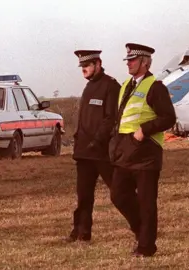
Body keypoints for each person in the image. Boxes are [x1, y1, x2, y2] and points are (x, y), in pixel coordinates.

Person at [109, 43, 176, 257]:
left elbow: (168, 118)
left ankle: (147, 247)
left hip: (146, 154)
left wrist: (144, 131)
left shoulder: (156, 87)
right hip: (125, 153)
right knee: (118, 196)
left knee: (147, 203)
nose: (128, 63)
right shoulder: (125, 86)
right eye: (127, 60)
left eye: (133, 60)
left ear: (145, 63)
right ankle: (140, 231)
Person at [67, 49, 121, 242]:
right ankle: (81, 232)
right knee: (83, 194)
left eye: (87, 65)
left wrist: (97, 141)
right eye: (82, 66)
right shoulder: (88, 87)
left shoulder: (111, 86)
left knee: (120, 192)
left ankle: (142, 227)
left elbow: (110, 118)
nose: (84, 69)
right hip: (84, 152)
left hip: (102, 152)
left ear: (98, 64)